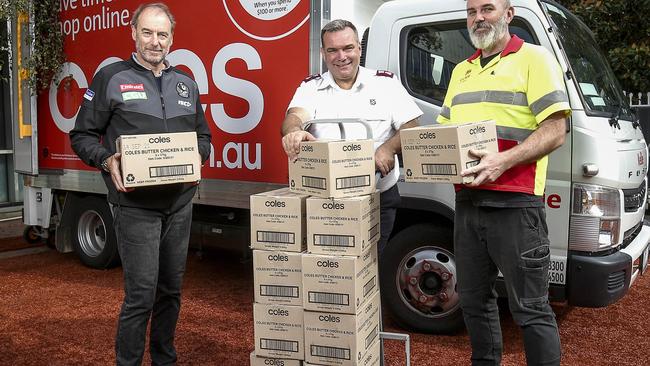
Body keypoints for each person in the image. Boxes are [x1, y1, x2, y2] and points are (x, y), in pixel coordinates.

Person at [69, 3, 211, 365]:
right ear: (133, 32)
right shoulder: (111, 78)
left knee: (171, 292)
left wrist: (200, 155)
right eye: (147, 32)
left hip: (179, 204)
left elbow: (203, 137)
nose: (155, 41)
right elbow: (82, 135)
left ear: (171, 38)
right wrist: (105, 159)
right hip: (135, 207)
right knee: (141, 296)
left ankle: (164, 358)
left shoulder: (186, 83)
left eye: (162, 34)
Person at [437, 0, 571, 364]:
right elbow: (444, 134)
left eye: (488, 9)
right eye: (471, 12)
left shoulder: (535, 59)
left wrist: (503, 160)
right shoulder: (460, 71)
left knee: (530, 308)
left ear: (508, 15)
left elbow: (556, 130)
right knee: (474, 302)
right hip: (467, 203)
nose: (478, 18)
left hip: (516, 204)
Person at [281, 19, 422, 255]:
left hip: (377, 197)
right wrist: (293, 132)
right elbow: (294, 116)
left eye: (347, 48)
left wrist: (387, 149)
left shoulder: (384, 84)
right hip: (325, 201)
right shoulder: (310, 88)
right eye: (333, 50)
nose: (341, 56)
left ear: (359, 48)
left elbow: (412, 126)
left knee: (369, 265)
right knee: (333, 268)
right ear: (324, 54)